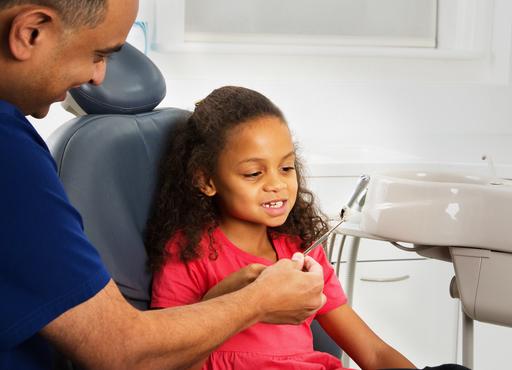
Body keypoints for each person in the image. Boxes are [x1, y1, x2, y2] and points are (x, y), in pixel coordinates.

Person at [0, 2, 327, 370]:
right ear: (30, 33)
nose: (99, 76)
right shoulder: (9, 156)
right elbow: (118, 350)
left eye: (285, 167)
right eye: (98, 54)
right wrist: (258, 301)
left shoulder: (17, 143)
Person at [145, 86, 417, 370]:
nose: (277, 184)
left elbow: (373, 353)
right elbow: (170, 360)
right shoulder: (188, 251)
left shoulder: (300, 248)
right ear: (206, 180)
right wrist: (225, 298)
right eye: (254, 173)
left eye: (286, 168)